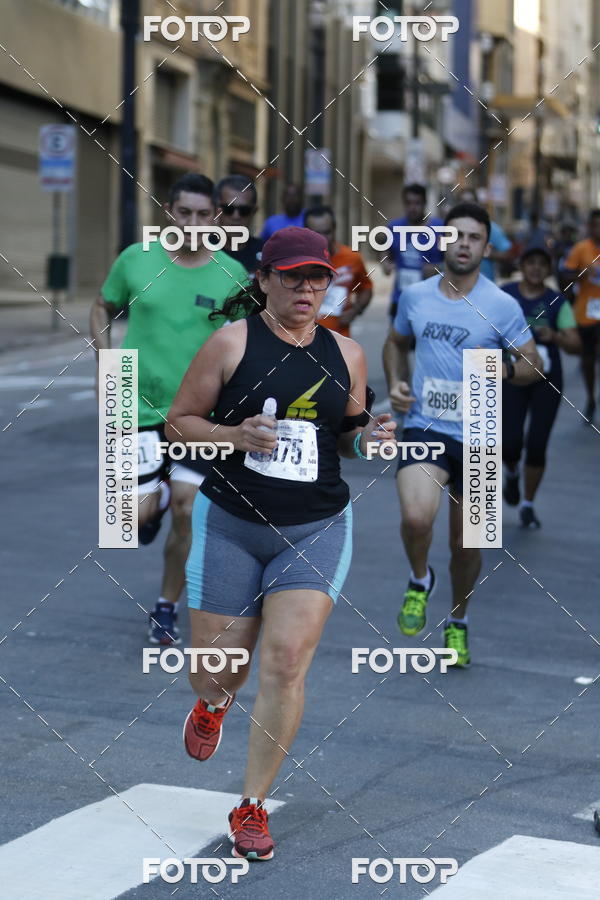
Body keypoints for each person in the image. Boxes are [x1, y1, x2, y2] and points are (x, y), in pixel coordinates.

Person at [166, 226, 396, 860]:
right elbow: (180, 423)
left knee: (288, 661)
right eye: (292, 276)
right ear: (264, 279)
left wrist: (369, 439)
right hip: (231, 522)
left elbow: (348, 434)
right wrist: (234, 437)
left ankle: (252, 805)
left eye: (317, 277)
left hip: (314, 527)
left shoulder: (347, 354)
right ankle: (213, 704)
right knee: (216, 671)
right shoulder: (231, 343)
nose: (306, 288)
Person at [90, 172, 248, 646]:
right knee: (128, 521)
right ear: (168, 213)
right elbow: (101, 306)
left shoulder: (232, 275)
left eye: (203, 215)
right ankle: (151, 505)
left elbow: (246, 344)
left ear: (215, 218)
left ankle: (165, 605)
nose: (193, 223)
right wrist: (105, 364)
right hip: (133, 402)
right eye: (184, 213)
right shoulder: (136, 259)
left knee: (188, 508)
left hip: (200, 415)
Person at [383, 202, 541, 667]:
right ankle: (420, 579)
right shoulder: (416, 297)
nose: (464, 244)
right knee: (417, 518)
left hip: (482, 436)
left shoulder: (502, 305)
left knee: (468, 544)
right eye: (456, 236)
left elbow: (533, 365)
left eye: (474, 238)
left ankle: (458, 619)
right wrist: (395, 382)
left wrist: (501, 369)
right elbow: (395, 342)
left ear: (486, 249)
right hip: (425, 426)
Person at [502, 248, 580, 527]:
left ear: (548, 270)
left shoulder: (557, 301)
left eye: (541, 264)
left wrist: (555, 336)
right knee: (509, 443)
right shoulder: (505, 295)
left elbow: (576, 345)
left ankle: (528, 504)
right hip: (511, 375)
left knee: (537, 444)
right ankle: (512, 473)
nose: (535, 268)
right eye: (530, 263)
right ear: (522, 266)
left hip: (546, 379)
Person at [303, 204, 373, 336]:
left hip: (339, 339)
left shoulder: (352, 258)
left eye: (327, 232)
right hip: (303, 339)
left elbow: (366, 288)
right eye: (316, 233)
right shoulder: (296, 261)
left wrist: (355, 310)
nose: (323, 239)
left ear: (335, 229)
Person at [382, 183, 444, 320]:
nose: (412, 208)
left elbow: (451, 261)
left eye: (417, 203)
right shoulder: (394, 227)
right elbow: (386, 253)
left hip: (430, 299)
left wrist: (438, 268)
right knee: (395, 334)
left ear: (425, 203)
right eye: (408, 203)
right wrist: (385, 264)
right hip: (400, 298)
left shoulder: (440, 228)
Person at [562, 209, 600, 422]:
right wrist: (583, 272)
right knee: (588, 358)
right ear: (589, 227)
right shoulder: (581, 248)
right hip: (586, 312)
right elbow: (565, 275)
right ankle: (591, 398)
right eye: (595, 225)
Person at [213, 174, 264, 274]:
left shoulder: (266, 254)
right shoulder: (200, 251)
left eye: (244, 210)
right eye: (228, 209)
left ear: (254, 212)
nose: (236, 216)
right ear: (216, 210)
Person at [459, 189, 512, 282]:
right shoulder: (453, 228)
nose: (466, 208)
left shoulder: (489, 227)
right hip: (458, 284)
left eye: (469, 203)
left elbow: (508, 253)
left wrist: (484, 253)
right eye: (463, 203)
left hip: (484, 284)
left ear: (476, 204)